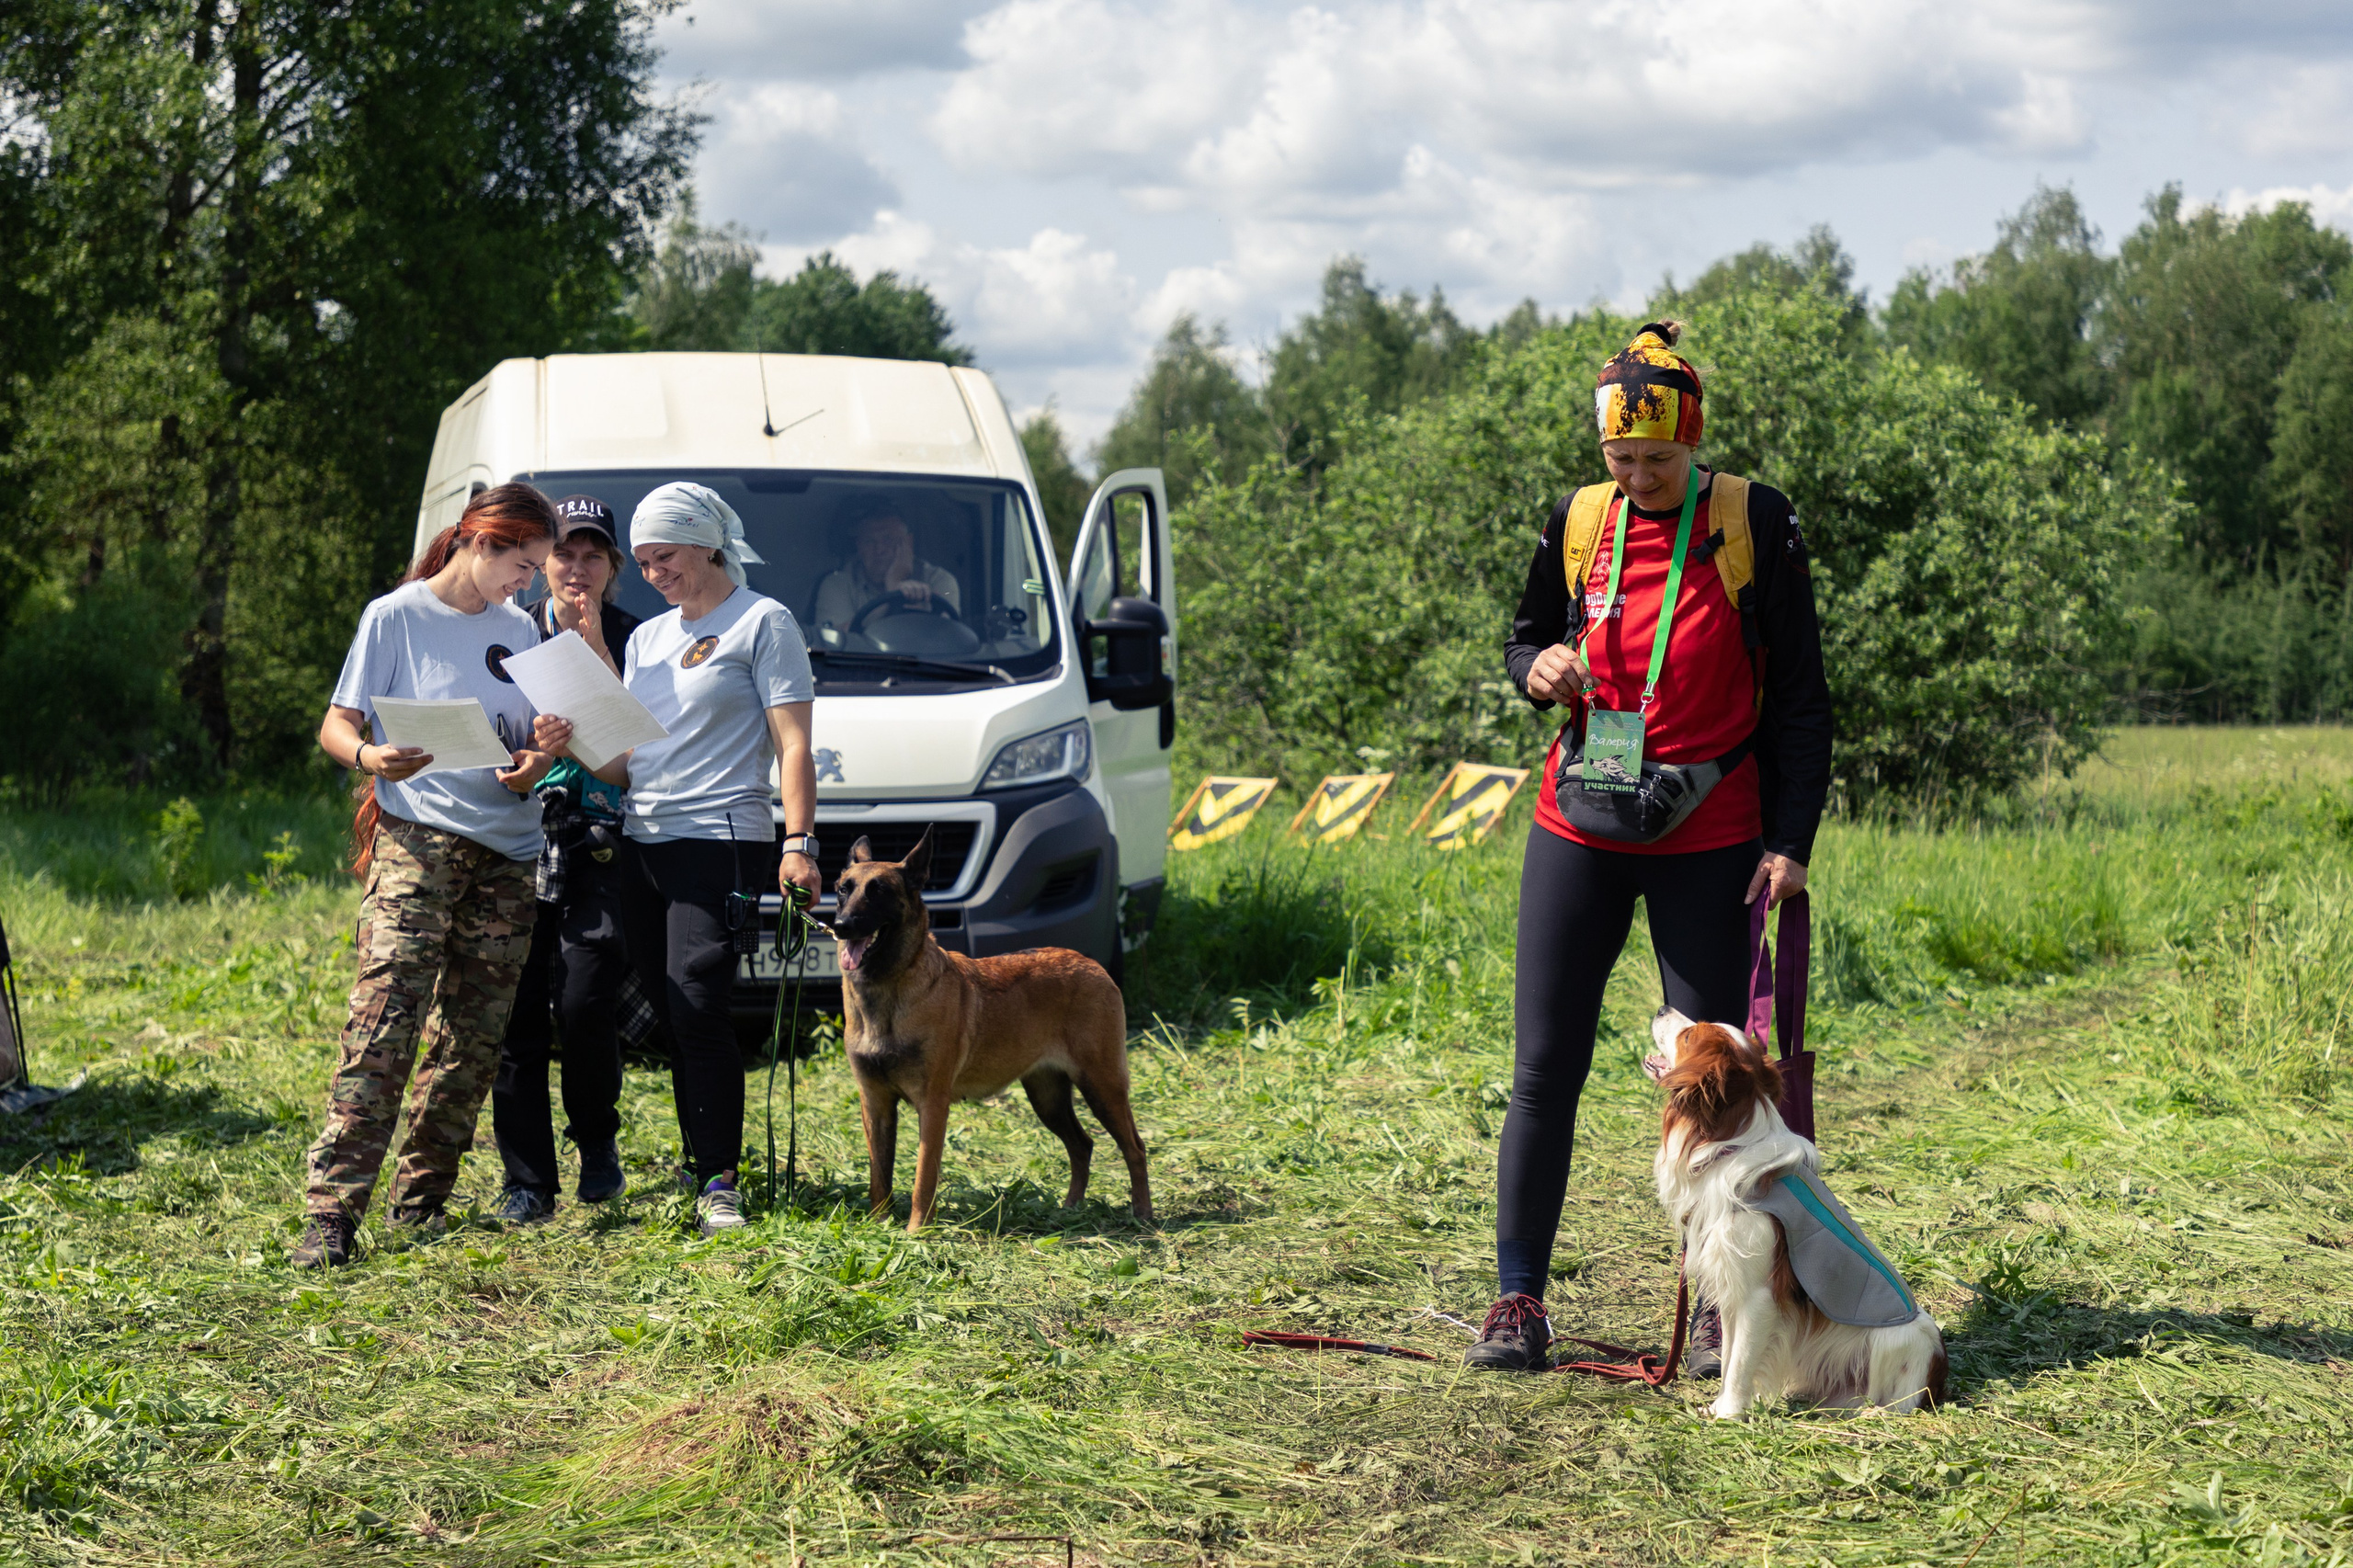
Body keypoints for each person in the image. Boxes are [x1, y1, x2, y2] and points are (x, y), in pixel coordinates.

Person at [1465, 321, 1834, 1371]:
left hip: (1712, 831)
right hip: (1579, 818)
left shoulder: (1752, 519)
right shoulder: (1580, 519)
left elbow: (1801, 698)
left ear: (1695, 439)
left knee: (1714, 1083)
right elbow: (1523, 634)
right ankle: (1516, 1299)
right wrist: (1536, 668)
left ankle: (1725, 1302)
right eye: (1620, 461)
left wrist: (1790, 838)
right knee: (1545, 1065)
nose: (1638, 478)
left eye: (1657, 461)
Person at [539, 481, 823, 1236]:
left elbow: (794, 744)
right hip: (644, 839)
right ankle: (702, 1161)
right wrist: (576, 748)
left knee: (698, 999)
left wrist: (799, 842)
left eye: (665, 556)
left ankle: (720, 1184)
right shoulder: (648, 640)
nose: (655, 571)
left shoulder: (764, 622)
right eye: (645, 561)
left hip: (723, 838)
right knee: (668, 1006)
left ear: (705, 542)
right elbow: (630, 765)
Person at [295, 483, 565, 1269]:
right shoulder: (396, 616)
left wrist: (539, 757)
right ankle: (332, 1215)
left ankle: (422, 1205)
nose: (527, 582)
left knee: (472, 1045)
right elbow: (336, 725)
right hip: (419, 843)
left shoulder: (524, 631)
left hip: (510, 857)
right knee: (384, 1025)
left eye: (536, 568)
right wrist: (372, 756)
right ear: (481, 542)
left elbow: (531, 751)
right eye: (522, 563)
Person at [488, 495, 649, 1223]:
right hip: (519, 835)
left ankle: (598, 1147)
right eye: (564, 554)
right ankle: (527, 1180)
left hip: (601, 839)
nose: (576, 568)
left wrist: (598, 654)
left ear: (615, 568)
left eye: (593, 555)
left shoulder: (640, 639)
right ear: (542, 563)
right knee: (517, 1012)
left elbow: (642, 754)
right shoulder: (507, 637)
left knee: (585, 1005)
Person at [810, 501, 960, 634]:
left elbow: (949, 639)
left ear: (908, 543)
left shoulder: (938, 580)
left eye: (888, 539)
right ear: (859, 547)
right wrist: (893, 592)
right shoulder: (837, 584)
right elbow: (834, 643)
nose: (879, 549)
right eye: (869, 541)